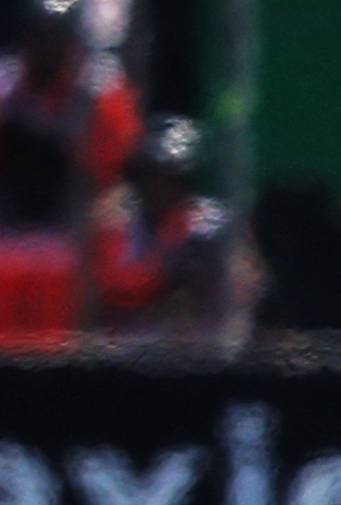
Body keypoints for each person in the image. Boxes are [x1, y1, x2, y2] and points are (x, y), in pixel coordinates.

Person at [0, 0, 135, 350]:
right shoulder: (3, 78)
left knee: (57, 354)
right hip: (10, 234)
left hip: (73, 239)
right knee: (5, 353)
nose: (48, 46)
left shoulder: (100, 84)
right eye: (39, 34)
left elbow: (114, 162)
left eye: (57, 36)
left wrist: (70, 140)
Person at [84, 116, 238, 347]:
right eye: (150, 175)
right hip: (127, 351)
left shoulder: (210, 226)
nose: (157, 187)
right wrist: (163, 271)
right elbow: (112, 291)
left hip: (199, 352)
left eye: (170, 178)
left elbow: (244, 292)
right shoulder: (115, 222)